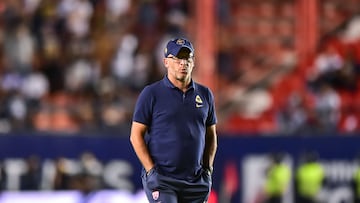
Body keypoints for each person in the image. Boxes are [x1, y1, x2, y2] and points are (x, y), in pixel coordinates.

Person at [130, 37, 218, 203]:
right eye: (177, 58)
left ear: (193, 62)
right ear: (166, 62)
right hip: (163, 179)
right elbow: (136, 135)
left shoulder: (205, 95)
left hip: (195, 181)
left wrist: (207, 169)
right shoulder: (151, 94)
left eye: (187, 58)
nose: (183, 63)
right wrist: (150, 170)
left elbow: (211, 136)